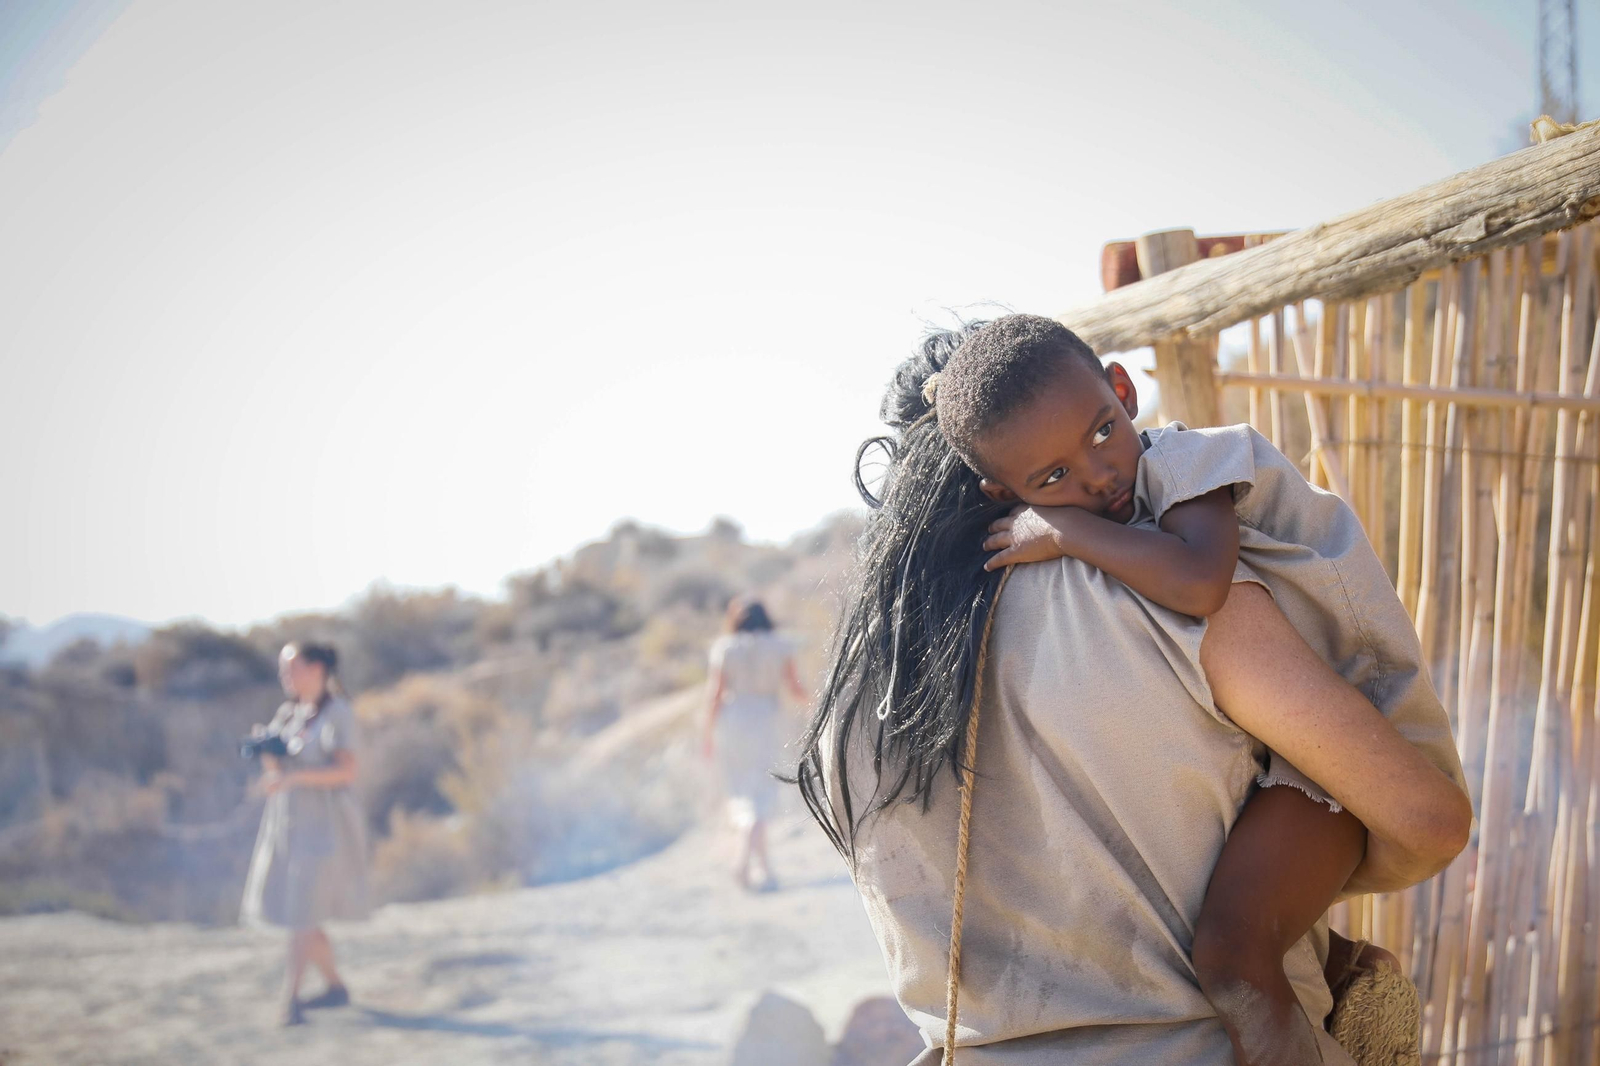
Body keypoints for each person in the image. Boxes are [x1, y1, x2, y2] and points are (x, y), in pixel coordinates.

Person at [795, 324, 1470, 1065]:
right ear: (995, 479)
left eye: (1099, 435)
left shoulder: (859, 698)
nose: (1095, 476)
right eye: (1053, 476)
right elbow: (1428, 819)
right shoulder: (1160, 600)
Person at [240, 641, 369, 1027]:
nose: (285, 676)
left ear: (316, 669)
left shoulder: (338, 714)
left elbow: (346, 773)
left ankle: (290, 1000)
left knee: (302, 912)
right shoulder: (289, 712)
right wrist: (267, 753)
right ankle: (335, 987)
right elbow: (276, 770)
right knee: (303, 912)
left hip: (324, 827)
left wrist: (295, 777)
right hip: (288, 824)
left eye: (291, 668)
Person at [703, 598, 808, 891]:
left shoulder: (725, 647)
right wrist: (818, 707)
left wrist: (708, 735)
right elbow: (795, 687)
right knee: (759, 796)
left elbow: (715, 694)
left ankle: (759, 867)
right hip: (765, 721)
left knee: (744, 793)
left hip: (732, 721)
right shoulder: (780, 645)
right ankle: (747, 863)